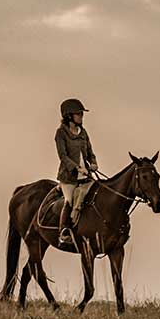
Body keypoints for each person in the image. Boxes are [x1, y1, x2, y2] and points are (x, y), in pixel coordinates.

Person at [55, 99, 98, 246]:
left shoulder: (83, 132)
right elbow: (63, 156)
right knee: (69, 201)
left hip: (86, 176)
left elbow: (90, 152)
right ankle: (64, 232)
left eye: (81, 114)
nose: (81, 116)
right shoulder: (61, 133)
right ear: (69, 116)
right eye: (78, 114)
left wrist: (93, 163)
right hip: (69, 178)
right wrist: (77, 168)